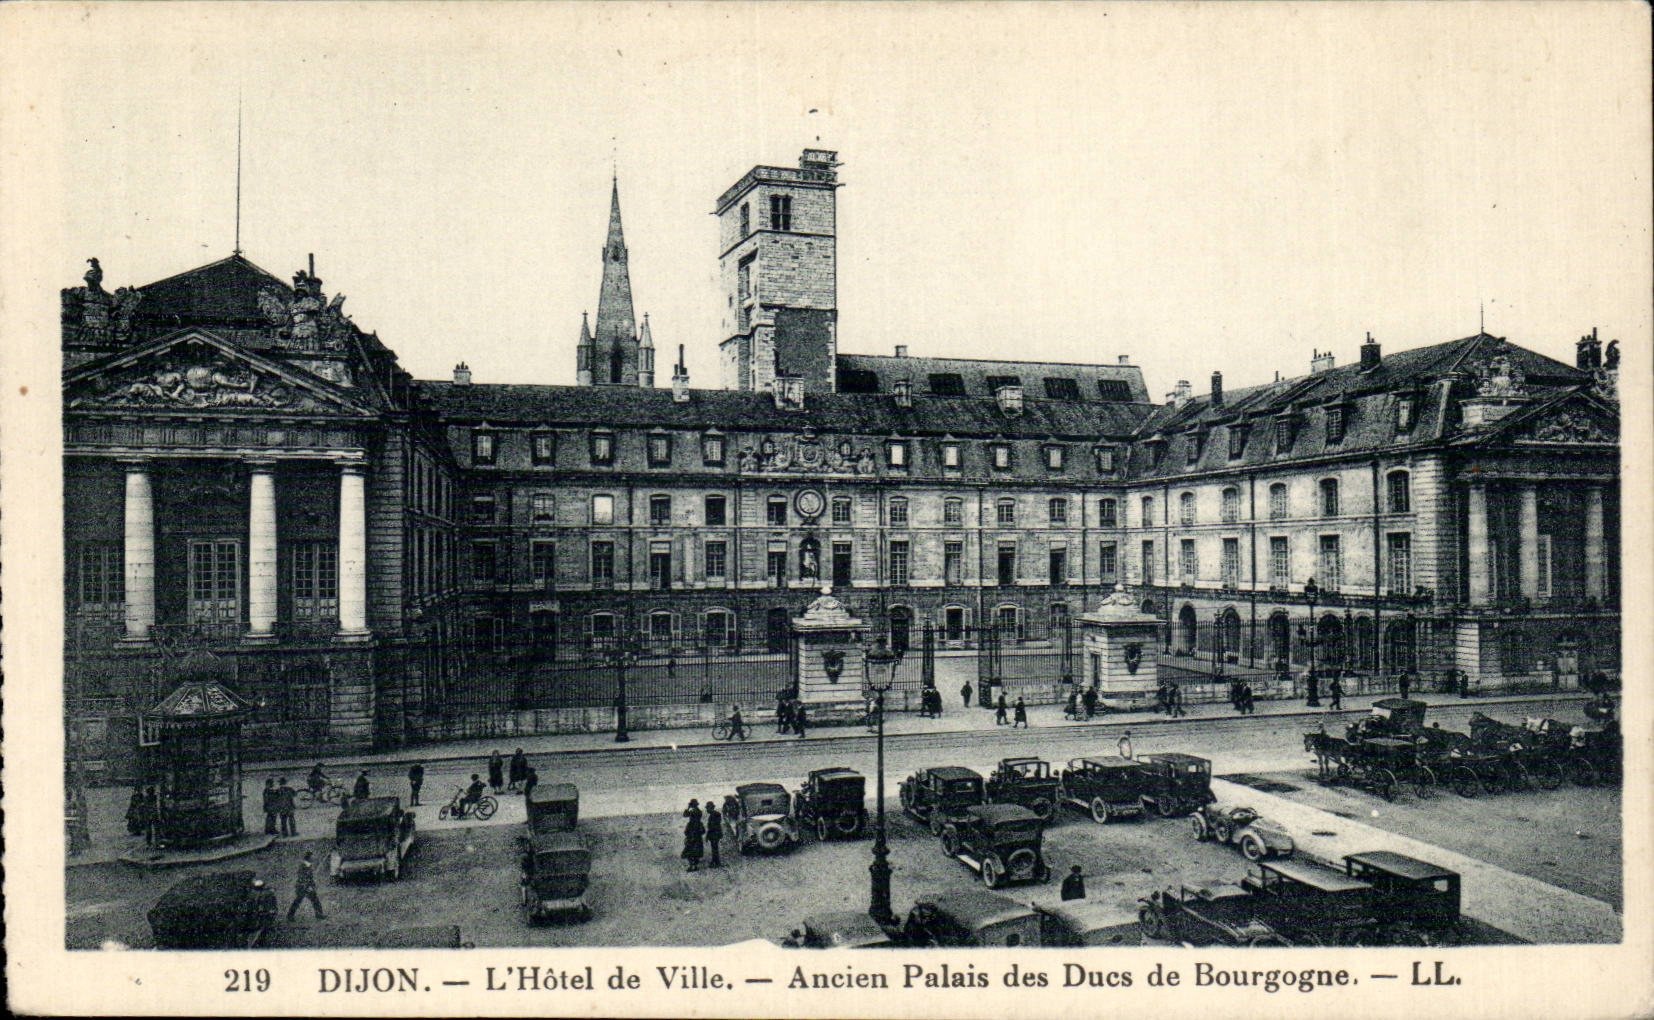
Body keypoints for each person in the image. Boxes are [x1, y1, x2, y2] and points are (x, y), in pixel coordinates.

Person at [286, 851, 326, 921]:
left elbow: (309, 877)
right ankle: (290, 915)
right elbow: (303, 878)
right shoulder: (303, 866)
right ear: (309, 858)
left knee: (314, 900)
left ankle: (319, 914)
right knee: (298, 901)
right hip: (303, 887)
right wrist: (308, 886)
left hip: (306, 887)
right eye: (312, 857)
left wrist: (312, 885)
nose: (314, 858)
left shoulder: (308, 865)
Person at [682, 808, 705, 872]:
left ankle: (692, 866)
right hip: (697, 840)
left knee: (690, 853)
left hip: (691, 840)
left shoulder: (690, 824)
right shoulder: (699, 823)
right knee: (695, 853)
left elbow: (686, 832)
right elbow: (703, 831)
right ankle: (694, 865)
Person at [705, 799, 723, 868]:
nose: (707, 810)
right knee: (714, 848)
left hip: (714, 834)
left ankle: (716, 862)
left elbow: (712, 827)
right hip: (715, 834)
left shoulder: (715, 815)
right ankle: (715, 861)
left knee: (714, 848)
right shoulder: (716, 814)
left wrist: (707, 835)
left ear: (711, 808)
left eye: (707, 808)